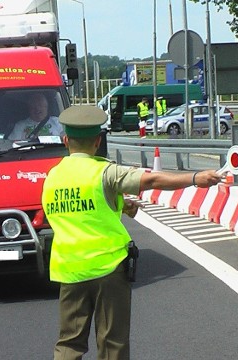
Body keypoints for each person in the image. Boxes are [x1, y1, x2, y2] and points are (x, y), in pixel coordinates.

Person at [41, 106, 222, 360]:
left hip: (70, 271)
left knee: (69, 345)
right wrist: (195, 178)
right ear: (97, 141)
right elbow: (150, 180)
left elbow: (72, 212)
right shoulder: (104, 171)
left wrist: (120, 205)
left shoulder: (52, 177)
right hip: (108, 268)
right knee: (112, 343)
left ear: (65, 140)